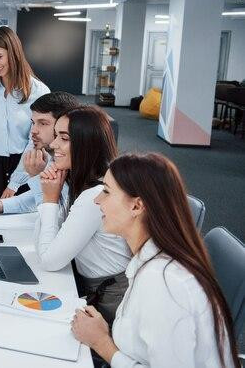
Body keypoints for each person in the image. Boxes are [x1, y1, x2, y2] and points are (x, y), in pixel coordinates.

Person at [71, 153, 239, 368]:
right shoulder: (150, 259)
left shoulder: (163, 282)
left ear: (137, 206)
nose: (97, 200)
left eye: (106, 192)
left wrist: (102, 343)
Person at [35, 105, 131, 324]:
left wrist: (49, 201)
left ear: (86, 144)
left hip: (111, 302)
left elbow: (49, 260)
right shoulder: (93, 183)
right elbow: (48, 243)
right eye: (56, 136)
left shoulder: (96, 196)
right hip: (98, 289)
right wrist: (52, 196)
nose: (53, 144)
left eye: (64, 138)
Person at [0, 91, 79, 217]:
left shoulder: (73, 165)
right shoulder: (53, 158)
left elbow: (56, 218)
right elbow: (37, 198)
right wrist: (0, 205)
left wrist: (36, 176)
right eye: (33, 122)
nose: (33, 131)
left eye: (43, 123)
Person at [0, 26, 50, 201]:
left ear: (14, 52)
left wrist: (14, 183)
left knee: (21, 221)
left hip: (24, 164)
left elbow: (35, 141)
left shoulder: (39, 91)